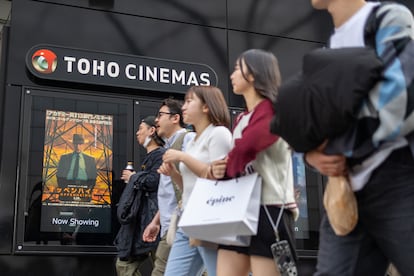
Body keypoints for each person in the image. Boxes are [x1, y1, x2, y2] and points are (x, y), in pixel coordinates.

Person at [305, 1, 414, 275]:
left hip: (398, 178)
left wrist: (336, 144)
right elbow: (316, 119)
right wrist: (311, 153)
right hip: (346, 192)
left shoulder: (387, 18)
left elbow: (401, 99)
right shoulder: (331, 45)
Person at [211, 49, 299, 276]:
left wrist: (225, 167)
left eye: (237, 69)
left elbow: (250, 145)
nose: (232, 75)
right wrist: (224, 166)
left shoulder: (272, 111)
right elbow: (239, 154)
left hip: (270, 210)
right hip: (238, 208)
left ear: (253, 74)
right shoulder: (242, 118)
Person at [158, 86, 232, 276]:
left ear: (206, 107)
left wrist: (182, 157)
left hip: (210, 220)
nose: (184, 106)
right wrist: (173, 173)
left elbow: (218, 178)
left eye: (190, 101)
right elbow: (191, 187)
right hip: (188, 219)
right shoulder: (192, 141)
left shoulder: (219, 134)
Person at [142, 98, 195, 276]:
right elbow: (171, 192)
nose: (156, 120)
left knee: (160, 271)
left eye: (160, 115)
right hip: (171, 225)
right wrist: (156, 222)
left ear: (175, 118)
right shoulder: (168, 149)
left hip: (181, 223)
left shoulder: (189, 140)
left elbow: (198, 180)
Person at [114, 116, 166, 276]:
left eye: (140, 129)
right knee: (124, 264)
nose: (137, 133)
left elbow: (155, 181)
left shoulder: (160, 155)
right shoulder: (151, 157)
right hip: (144, 223)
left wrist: (133, 178)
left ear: (152, 130)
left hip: (153, 223)